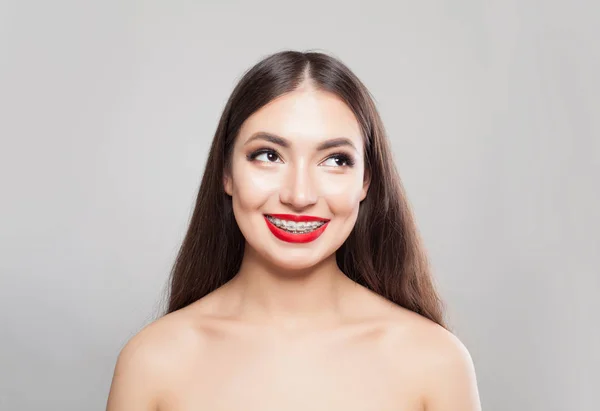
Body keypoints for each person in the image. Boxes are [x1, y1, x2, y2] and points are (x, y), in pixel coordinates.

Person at [106, 50, 482, 411]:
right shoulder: (152, 362)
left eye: (335, 160)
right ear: (226, 173)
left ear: (365, 181)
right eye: (268, 155)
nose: (299, 195)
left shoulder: (436, 362)